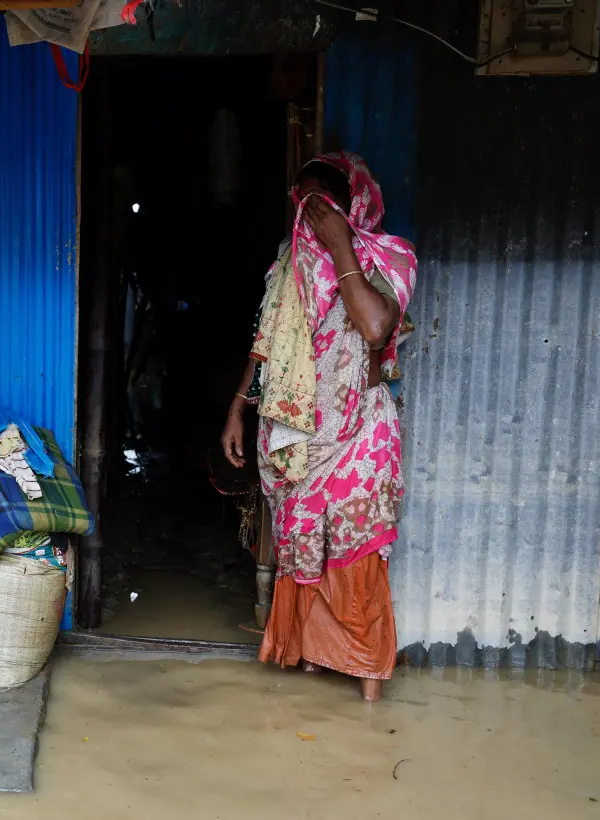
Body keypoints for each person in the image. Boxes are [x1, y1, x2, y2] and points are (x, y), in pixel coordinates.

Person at [220, 153, 416, 702]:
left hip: (357, 439)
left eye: (319, 206)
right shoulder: (289, 261)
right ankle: (311, 662)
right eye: (302, 207)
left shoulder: (389, 257)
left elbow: (375, 326)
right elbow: (266, 343)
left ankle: (368, 689)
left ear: (349, 206)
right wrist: (238, 407)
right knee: (304, 551)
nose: (308, 218)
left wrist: (340, 246)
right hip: (299, 439)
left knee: (355, 559)